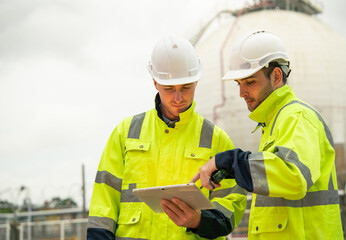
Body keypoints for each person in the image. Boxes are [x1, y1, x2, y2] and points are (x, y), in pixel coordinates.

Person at [87, 35, 247, 240]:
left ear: (196, 81)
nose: (178, 98)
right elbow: (104, 200)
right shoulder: (126, 133)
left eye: (186, 87)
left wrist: (199, 220)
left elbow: (231, 203)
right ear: (155, 82)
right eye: (169, 89)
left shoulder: (217, 139)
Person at [191, 30, 344, 239]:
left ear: (276, 76)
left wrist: (232, 161)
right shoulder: (275, 122)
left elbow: (293, 176)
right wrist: (235, 169)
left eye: (250, 82)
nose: (241, 93)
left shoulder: (296, 117)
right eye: (239, 84)